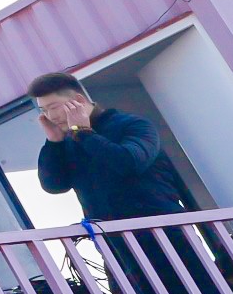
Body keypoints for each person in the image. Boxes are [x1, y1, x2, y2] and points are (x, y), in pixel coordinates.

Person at [30, 73, 198, 224]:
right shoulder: (69, 141)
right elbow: (54, 186)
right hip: (114, 243)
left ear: (79, 101)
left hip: (166, 236)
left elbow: (129, 163)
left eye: (54, 107)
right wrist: (54, 143)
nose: (51, 116)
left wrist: (83, 133)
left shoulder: (133, 125)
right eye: (44, 110)